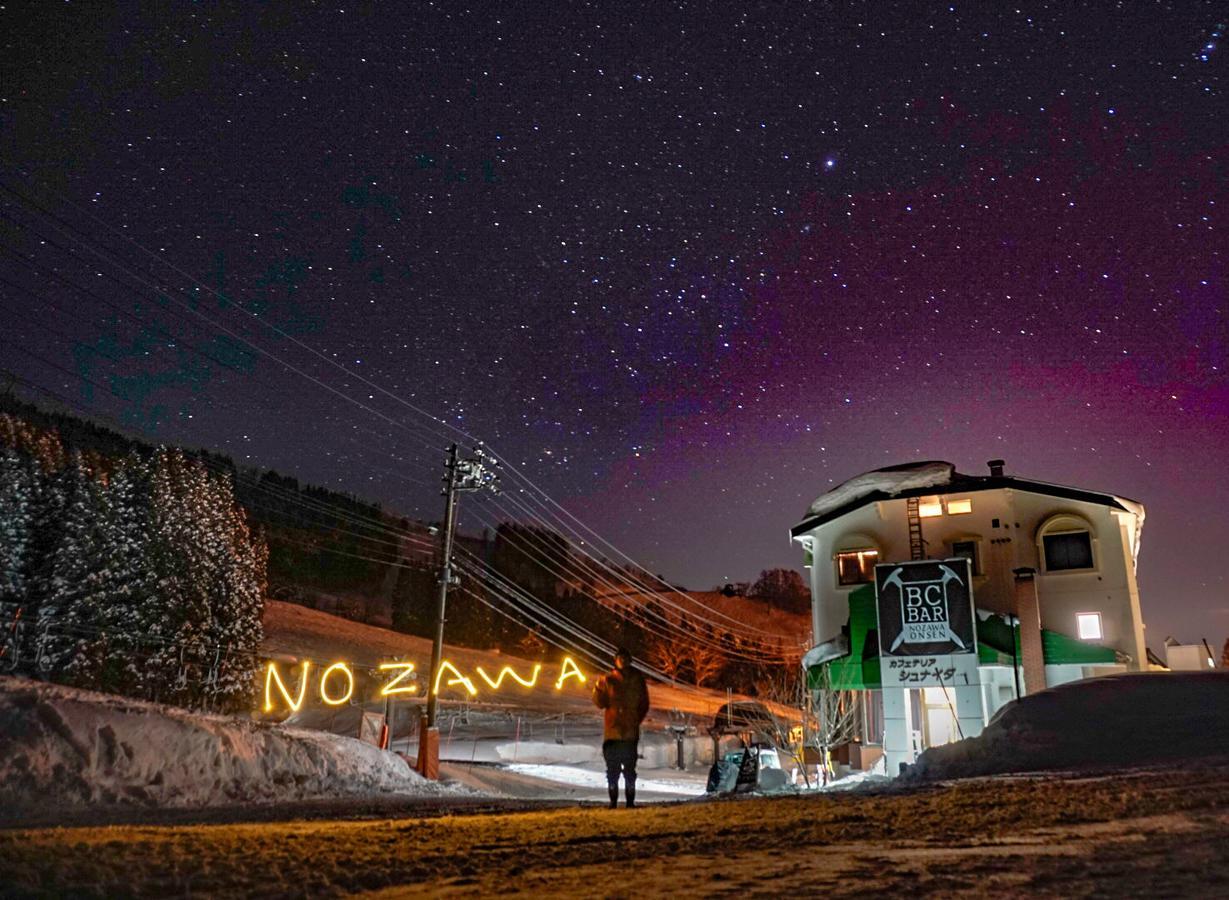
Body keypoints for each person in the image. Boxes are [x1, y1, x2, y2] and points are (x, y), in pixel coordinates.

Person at [591, 646, 650, 808]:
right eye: (619, 658)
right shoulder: (608, 679)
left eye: (625, 658)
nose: (622, 661)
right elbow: (600, 703)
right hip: (612, 734)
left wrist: (635, 720)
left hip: (630, 734)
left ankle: (630, 802)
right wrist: (597, 689)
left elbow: (644, 703)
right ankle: (613, 803)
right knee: (612, 771)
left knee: (630, 771)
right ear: (615, 660)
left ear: (629, 660)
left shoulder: (637, 679)